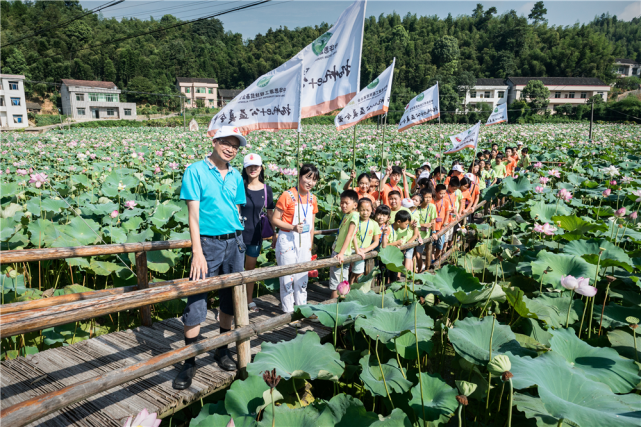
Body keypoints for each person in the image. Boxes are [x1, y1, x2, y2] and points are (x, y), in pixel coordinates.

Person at [174, 126, 247, 389]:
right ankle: (189, 361)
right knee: (196, 299)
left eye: (235, 146)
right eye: (226, 143)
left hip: (235, 242)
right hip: (208, 244)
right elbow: (193, 216)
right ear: (214, 141)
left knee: (230, 298)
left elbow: (237, 208)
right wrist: (197, 252)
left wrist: (239, 237)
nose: (231, 149)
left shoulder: (237, 175)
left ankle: (221, 349)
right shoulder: (195, 170)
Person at [271, 164, 320, 313]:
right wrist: (292, 227)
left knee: (302, 278)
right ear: (299, 176)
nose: (310, 182)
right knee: (287, 278)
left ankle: (301, 309)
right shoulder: (288, 195)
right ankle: (288, 312)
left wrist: (310, 246)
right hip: (288, 238)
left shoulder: (313, 199)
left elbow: (311, 226)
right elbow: (274, 219)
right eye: (307, 177)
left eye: (314, 180)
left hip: (305, 241)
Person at [240, 153, 276, 313]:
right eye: (249, 166)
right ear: (245, 168)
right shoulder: (239, 186)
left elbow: (270, 214)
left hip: (255, 235)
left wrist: (274, 234)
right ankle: (231, 303)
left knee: (250, 269)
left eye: (255, 166)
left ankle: (248, 300)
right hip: (238, 234)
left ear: (261, 168)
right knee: (234, 270)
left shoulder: (267, 190)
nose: (252, 169)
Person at [328, 189, 364, 298]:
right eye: (341, 202)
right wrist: (357, 251)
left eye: (346, 203)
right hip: (342, 252)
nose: (343, 205)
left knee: (336, 284)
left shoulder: (353, 216)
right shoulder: (348, 215)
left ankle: (333, 307)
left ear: (354, 205)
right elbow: (353, 235)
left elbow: (349, 235)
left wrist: (341, 253)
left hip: (340, 253)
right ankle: (340, 305)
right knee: (342, 281)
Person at [350, 198, 381, 284]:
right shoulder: (354, 221)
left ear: (372, 210)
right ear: (358, 210)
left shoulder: (374, 224)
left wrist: (364, 250)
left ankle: (354, 291)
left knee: (358, 273)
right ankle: (351, 291)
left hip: (363, 252)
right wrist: (357, 249)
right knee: (355, 273)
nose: (365, 212)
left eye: (367, 210)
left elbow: (376, 242)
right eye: (362, 210)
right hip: (352, 249)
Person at [412, 191, 437, 273]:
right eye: (426, 197)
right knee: (414, 254)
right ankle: (416, 270)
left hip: (425, 235)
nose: (428, 199)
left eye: (430, 197)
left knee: (418, 253)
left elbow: (433, 221)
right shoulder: (416, 208)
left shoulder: (432, 207)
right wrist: (424, 225)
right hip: (414, 233)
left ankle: (419, 270)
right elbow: (414, 222)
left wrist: (433, 232)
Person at [431, 184, 451, 261]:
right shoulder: (432, 201)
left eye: (444, 193)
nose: (442, 195)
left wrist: (444, 224)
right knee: (432, 244)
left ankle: (436, 258)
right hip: (432, 227)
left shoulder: (446, 201)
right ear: (436, 192)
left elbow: (447, 214)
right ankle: (432, 259)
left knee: (440, 245)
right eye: (440, 193)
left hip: (441, 227)